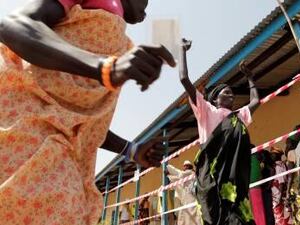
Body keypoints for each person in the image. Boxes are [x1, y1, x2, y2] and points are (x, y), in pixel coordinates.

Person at [0, 1, 176, 224]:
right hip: (23, 121)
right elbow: (13, 26)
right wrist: (105, 68)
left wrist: (131, 150)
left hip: (63, 148)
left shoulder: (120, 45)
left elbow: (81, 122)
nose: (146, 10)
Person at [179, 38, 260, 225]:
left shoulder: (237, 117)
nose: (231, 95)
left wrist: (250, 78)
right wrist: (182, 51)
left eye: (232, 93)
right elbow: (184, 79)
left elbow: (256, 102)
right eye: (226, 92)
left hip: (233, 183)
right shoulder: (207, 111)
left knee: (240, 219)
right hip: (211, 181)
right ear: (215, 99)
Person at [166, 160, 202, 225]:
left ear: (189, 166)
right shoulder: (187, 176)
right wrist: (169, 176)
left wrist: (167, 167)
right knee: (186, 218)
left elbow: (179, 174)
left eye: (186, 166)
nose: (184, 167)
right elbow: (178, 179)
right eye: (184, 166)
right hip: (187, 201)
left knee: (192, 218)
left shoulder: (190, 173)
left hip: (191, 200)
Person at [284, 137, 300, 225]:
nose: (286, 146)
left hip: (296, 186)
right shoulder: (299, 152)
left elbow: (290, 175)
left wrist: (288, 191)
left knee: (299, 211)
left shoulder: (291, 153)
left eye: (288, 144)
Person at [270, 147, 293, 225]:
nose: (271, 156)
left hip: (278, 198)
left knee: (281, 219)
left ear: (277, 155)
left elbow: (281, 183)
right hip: (281, 196)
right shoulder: (282, 164)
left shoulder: (278, 166)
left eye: (272, 154)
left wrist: (277, 200)